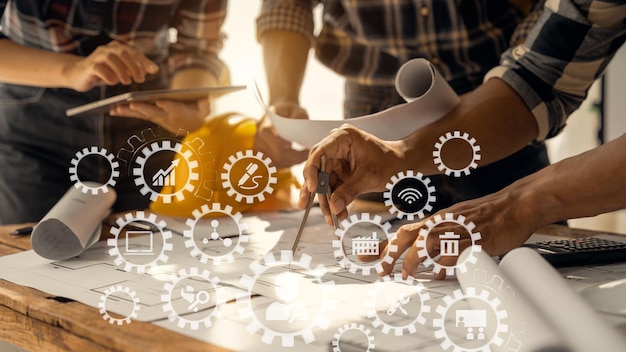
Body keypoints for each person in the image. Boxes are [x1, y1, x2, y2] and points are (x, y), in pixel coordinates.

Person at [299, 0, 626, 279]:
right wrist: (397, 154)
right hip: (454, 109)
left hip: (496, 114)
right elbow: (534, 78)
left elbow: (535, 78)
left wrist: (521, 203)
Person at [255, 0, 553, 212]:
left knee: (534, 256)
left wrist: (524, 62)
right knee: (373, 264)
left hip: (496, 102)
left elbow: (550, 18)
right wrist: (283, 96)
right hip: (373, 113)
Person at [0, 1, 229, 224]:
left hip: (149, 130)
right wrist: (72, 69)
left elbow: (196, 50)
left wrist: (187, 102)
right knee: (33, 251)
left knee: (158, 250)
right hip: (34, 129)